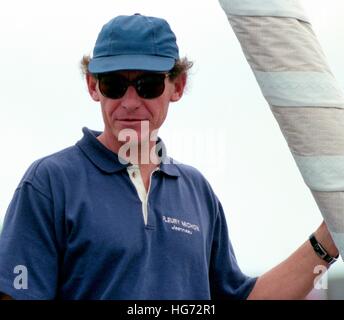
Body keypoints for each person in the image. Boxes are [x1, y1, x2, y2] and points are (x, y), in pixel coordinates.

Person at [0, 13, 339, 300]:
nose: (130, 101)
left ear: (177, 86)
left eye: (148, 85)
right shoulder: (49, 183)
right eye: (114, 85)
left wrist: (330, 236)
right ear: (92, 86)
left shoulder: (197, 192)